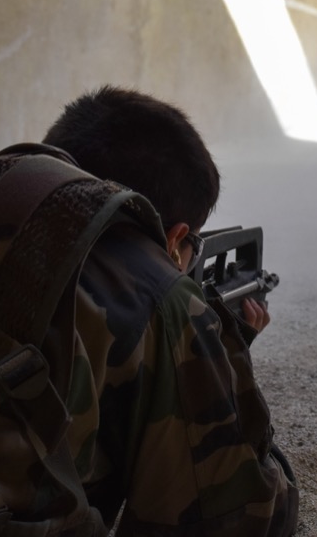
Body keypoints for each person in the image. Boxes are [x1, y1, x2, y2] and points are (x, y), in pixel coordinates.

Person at [40, 86, 298, 535]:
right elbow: (244, 515)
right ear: (176, 238)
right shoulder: (154, 295)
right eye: (191, 247)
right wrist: (218, 352)